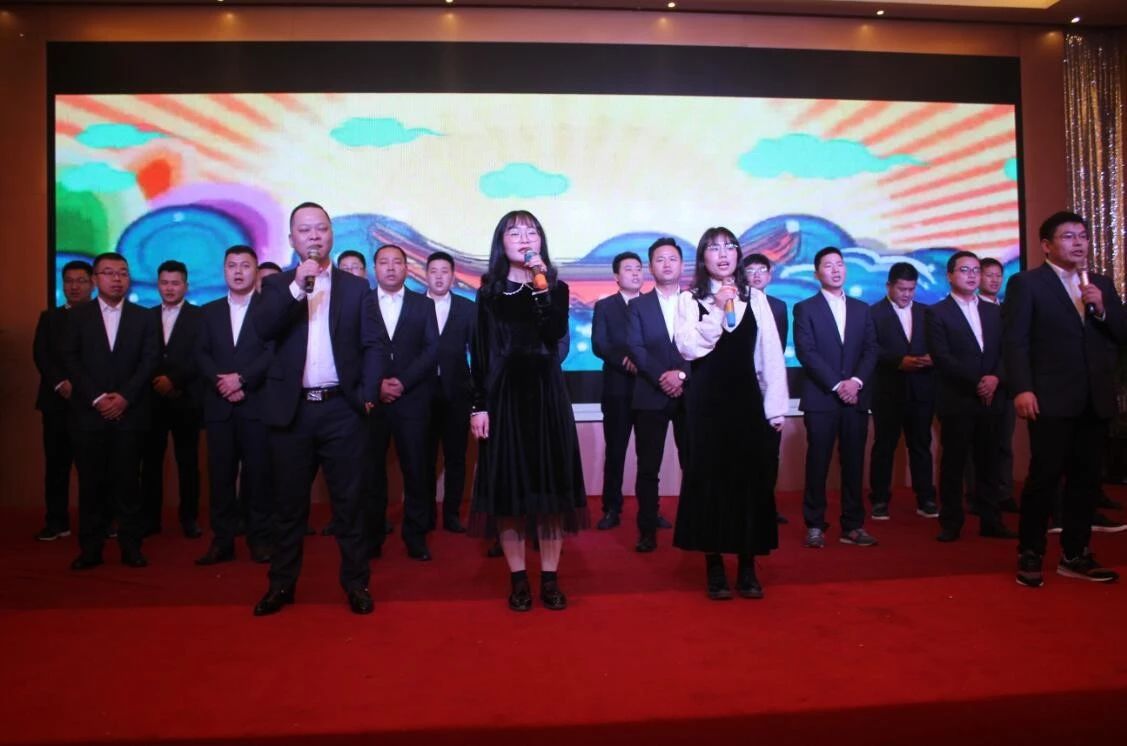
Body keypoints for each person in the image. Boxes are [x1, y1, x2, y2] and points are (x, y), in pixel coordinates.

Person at [251, 202, 373, 616]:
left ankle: (356, 584)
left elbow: (371, 344)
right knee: (288, 507)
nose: (314, 236)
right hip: (293, 412)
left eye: (321, 228)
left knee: (350, 505)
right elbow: (263, 329)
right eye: (305, 230)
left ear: (331, 235)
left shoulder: (355, 287)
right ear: (292, 239)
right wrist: (296, 287)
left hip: (342, 410)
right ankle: (281, 585)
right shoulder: (275, 286)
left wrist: (366, 392)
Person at [468, 210, 587, 612]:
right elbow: (480, 353)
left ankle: (550, 579)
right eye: (514, 232)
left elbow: (554, 333)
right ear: (501, 243)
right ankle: (518, 579)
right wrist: (479, 406)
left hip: (547, 395)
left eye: (531, 232)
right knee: (509, 494)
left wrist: (541, 286)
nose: (524, 238)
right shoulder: (488, 294)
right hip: (505, 398)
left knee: (551, 493)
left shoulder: (556, 288)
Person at [1005, 211, 1126, 587]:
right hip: (1049, 398)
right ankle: (1031, 551)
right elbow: (1016, 341)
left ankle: (1075, 553)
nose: (1079, 243)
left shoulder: (1101, 284)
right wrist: (1022, 388)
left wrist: (1102, 308)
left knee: (1086, 480)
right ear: (1046, 245)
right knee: (1044, 477)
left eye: (1083, 236)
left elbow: (1121, 333)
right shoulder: (1027, 283)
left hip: (1095, 398)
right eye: (1069, 236)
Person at [672, 227, 788, 599]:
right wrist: (718, 311)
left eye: (729, 247)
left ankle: (748, 567)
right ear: (702, 257)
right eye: (714, 248)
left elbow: (770, 355)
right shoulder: (689, 299)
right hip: (706, 404)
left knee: (748, 482)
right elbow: (689, 348)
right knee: (710, 481)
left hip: (746, 401)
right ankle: (715, 566)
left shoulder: (756, 298)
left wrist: (775, 408)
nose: (723, 254)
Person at [62, 252, 160, 569]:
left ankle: (131, 547)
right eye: (108, 273)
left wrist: (124, 397)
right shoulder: (77, 316)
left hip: (131, 414)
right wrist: (97, 398)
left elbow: (150, 360)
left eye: (123, 273)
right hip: (89, 415)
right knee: (91, 485)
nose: (117, 279)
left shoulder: (145, 317)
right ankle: (91, 549)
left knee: (129, 484)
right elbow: (70, 360)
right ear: (95, 279)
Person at [926, 252, 1016, 542]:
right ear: (950, 275)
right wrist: (978, 382)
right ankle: (951, 522)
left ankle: (991, 521)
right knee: (954, 463)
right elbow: (942, 357)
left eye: (976, 270)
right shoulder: (937, 312)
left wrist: (995, 378)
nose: (972, 275)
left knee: (990, 461)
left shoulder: (995, 311)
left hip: (993, 397)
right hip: (958, 398)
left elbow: (1007, 351)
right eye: (964, 270)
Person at [793, 246, 879, 549]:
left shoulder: (862, 309)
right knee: (818, 462)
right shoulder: (805, 308)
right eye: (828, 265)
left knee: (854, 463)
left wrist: (855, 382)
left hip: (856, 397)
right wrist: (836, 384)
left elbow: (871, 349)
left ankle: (853, 525)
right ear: (817, 273)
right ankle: (815, 524)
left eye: (839, 264)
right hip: (821, 398)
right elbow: (806, 352)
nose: (835, 270)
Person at [195, 246, 274, 565]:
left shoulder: (269, 310)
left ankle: (260, 539)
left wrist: (242, 380)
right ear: (224, 270)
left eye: (245, 265)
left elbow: (273, 352)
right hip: (219, 407)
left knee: (259, 478)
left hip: (256, 405)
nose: (238, 271)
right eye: (232, 266)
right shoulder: (207, 311)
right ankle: (222, 542)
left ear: (256, 270)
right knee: (220, 477)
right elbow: (200, 354)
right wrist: (223, 384)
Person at [362, 244, 439, 560]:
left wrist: (403, 382)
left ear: (407, 268)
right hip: (373, 401)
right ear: (375, 268)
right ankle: (372, 536)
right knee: (370, 472)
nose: (391, 267)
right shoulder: (363, 303)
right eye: (384, 262)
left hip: (413, 399)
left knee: (416, 471)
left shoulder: (423, 304)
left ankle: (416, 536)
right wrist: (376, 385)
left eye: (397, 262)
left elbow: (431, 349)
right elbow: (353, 349)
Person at [626, 238, 689, 552]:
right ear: (651, 267)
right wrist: (662, 377)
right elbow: (635, 347)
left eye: (672, 259)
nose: (666, 264)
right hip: (650, 394)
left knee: (693, 464)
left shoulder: (696, 302)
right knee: (648, 467)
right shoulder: (638, 306)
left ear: (682, 265)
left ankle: (693, 526)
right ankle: (647, 529)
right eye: (660, 259)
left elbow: (707, 344)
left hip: (690, 395)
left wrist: (681, 375)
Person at [867, 262, 938, 520]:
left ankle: (926, 498)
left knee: (921, 445)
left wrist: (933, 358)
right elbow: (870, 349)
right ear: (889, 286)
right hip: (887, 391)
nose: (907, 294)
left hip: (922, 391)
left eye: (911, 289)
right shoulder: (873, 313)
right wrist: (898, 362)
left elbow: (939, 345)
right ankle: (879, 499)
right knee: (884, 446)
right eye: (902, 289)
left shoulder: (927, 312)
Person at [140, 260, 204, 538]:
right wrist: (157, 381)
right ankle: (150, 519)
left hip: (186, 400)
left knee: (188, 463)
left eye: (175, 283)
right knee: (150, 463)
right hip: (151, 401)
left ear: (186, 286)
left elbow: (200, 356)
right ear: (158, 285)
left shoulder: (200, 317)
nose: (169, 288)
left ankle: (189, 518)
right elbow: (140, 356)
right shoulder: (145, 316)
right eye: (164, 283)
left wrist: (174, 381)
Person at [33, 259, 93, 541]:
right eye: (69, 281)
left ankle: (99, 522)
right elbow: (41, 355)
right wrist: (59, 383)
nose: (74, 286)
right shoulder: (50, 318)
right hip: (56, 403)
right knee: (56, 466)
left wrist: (83, 387)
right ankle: (56, 522)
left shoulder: (101, 317)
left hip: (92, 404)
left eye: (81, 281)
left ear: (92, 284)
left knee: (94, 468)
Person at [424, 251, 475, 534]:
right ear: (426, 275)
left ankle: (452, 514)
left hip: (457, 394)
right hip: (421, 396)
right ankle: (426, 513)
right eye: (434, 271)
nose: (439, 277)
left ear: (453, 276)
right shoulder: (414, 305)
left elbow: (477, 354)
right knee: (424, 458)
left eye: (445, 271)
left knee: (456, 457)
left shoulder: (467, 308)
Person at [592, 251, 643, 530]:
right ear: (616, 276)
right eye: (628, 269)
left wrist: (645, 364)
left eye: (638, 268)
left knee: (648, 455)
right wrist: (626, 361)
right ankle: (611, 508)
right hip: (617, 389)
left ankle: (650, 509)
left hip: (648, 389)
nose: (635, 273)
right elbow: (600, 344)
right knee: (616, 452)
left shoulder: (651, 304)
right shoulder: (605, 307)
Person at [742, 252, 790, 525]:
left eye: (762, 270)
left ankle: (766, 505)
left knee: (770, 451)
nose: (757, 275)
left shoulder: (779, 307)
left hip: (768, 388)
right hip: (741, 386)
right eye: (751, 270)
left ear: (770, 275)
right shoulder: (736, 303)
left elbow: (776, 351)